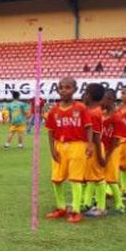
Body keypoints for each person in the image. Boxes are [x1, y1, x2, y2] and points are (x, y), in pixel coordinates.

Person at [45, 77, 93, 224]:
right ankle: (61, 207)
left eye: (68, 87)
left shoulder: (81, 108)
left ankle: (76, 210)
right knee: (56, 179)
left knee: (75, 179)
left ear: (75, 90)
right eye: (61, 87)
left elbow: (89, 127)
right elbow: (50, 132)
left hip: (77, 145)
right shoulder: (53, 110)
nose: (64, 90)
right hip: (60, 146)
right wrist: (52, 149)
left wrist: (90, 145)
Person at [80, 83, 107, 217]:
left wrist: (100, 156)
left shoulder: (94, 113)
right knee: (90, 176)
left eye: (85, 92)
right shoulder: (90, 111)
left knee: (98, 177)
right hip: (90, 146)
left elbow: (96, 135)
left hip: (94, 147)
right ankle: (88, 202)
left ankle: (101, 207)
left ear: (89, 95)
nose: (83, 95)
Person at [100, 89, 126, 215]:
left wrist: (108, 155)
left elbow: (116, 140)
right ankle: (99, 203)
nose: (101, 101)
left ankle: (119, 204)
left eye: (103, 99)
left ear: (110, 100)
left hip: (112, 150)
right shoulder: (102, 114)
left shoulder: (117, 117)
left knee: (111, 178)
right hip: (103, 149)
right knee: (100, 177)